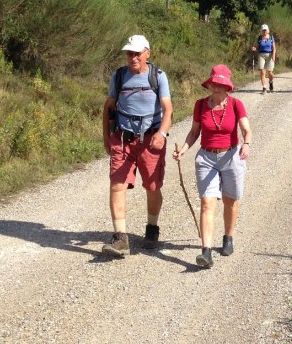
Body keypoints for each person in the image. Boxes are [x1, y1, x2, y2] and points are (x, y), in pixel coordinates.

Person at [172, 64, 252, 269]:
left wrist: (247, 144)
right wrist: (183, 149)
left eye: (220, 84)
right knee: (207, 203)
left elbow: (246, 129)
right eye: (213, 83)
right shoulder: (200, 105)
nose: (216, 87)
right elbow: (194, 133)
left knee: (230, 201)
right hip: (206, 158)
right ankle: (206, 252)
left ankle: (228, 237)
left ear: (227, 87)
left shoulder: (236, 105)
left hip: (231, 156)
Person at [101, 34, 173, 257]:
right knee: (117, 185)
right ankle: (120, 238)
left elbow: (168, 109)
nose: (133, 58)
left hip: (151, 139)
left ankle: (152, 228)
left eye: (137, 53)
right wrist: (106, 137)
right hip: (123, 139)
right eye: (129, 53)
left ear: (147, 53)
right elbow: (108, 108)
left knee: (152, 187)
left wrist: (161, 133)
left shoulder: (158, 76)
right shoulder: (119, 76)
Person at [252, 24, 276, 94]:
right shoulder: (259, 38)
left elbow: (274, 48)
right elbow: (258, 47)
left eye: (265, 30)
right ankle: (264, 88)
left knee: (270, 73)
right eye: (263, 30)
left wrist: (273, 55)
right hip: (261, 55)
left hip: (270, 55)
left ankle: (271, 82)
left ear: (268, 30)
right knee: (262, 72)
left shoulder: (271, 37)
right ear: (261, 31)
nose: (264, 32)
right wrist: (255, 49)